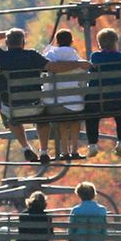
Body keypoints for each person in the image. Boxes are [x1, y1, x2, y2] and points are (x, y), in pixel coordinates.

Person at [0, 29, 52, 161]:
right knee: (44, 118)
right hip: (34, 106)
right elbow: (51, 67)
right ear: (23, 43)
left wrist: (7, 33)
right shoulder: (32, 55)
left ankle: (26, 147)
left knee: (11, 118)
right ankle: (44, 151)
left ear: (7, 43)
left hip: (12, 107)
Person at [85, 28, 121, 156]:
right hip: (120, 101)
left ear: (100, 44)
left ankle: (92, 144)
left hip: (98, 102)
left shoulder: (95, 57)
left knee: (90, 114)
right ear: (115, 42)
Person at [42, 29, 90, 159]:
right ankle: (74, 150)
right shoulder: (75, 57)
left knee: (62, 121)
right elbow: (83, 77)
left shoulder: (50, 55)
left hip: (54, 103)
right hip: (75, 104)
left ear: (57, 41)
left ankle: (65, 151)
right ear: (71, 41)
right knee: (75, 120)